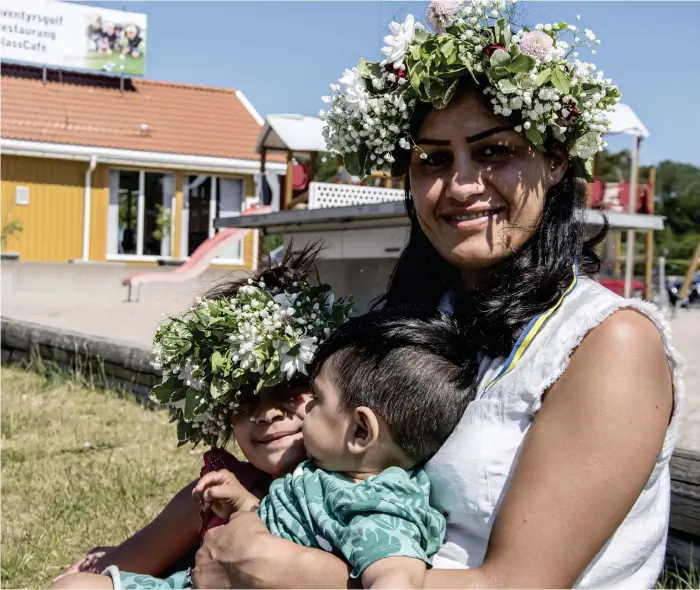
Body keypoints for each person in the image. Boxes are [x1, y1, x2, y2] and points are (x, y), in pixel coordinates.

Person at [192, 2, 684, 588]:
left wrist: (279, 569)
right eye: (434, 158)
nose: (463, 184)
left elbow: (518, 585)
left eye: (495, 150)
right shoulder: (425, 313)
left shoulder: (609, 343)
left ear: (554, 161)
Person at [55, 309, 477, 590]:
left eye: (304, 394)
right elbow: (138, 555)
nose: (267, 415)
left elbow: (394, 572)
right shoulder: (321, 475)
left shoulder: (376, 501)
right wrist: (242, 507)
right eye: (244, 402)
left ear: (361, 430)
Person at [51, 246, 351, 587]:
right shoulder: (213, 494)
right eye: (242, 398)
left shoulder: (360, 489)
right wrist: (100, 563)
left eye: (291, 387)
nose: (266, 414)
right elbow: (125, 561)